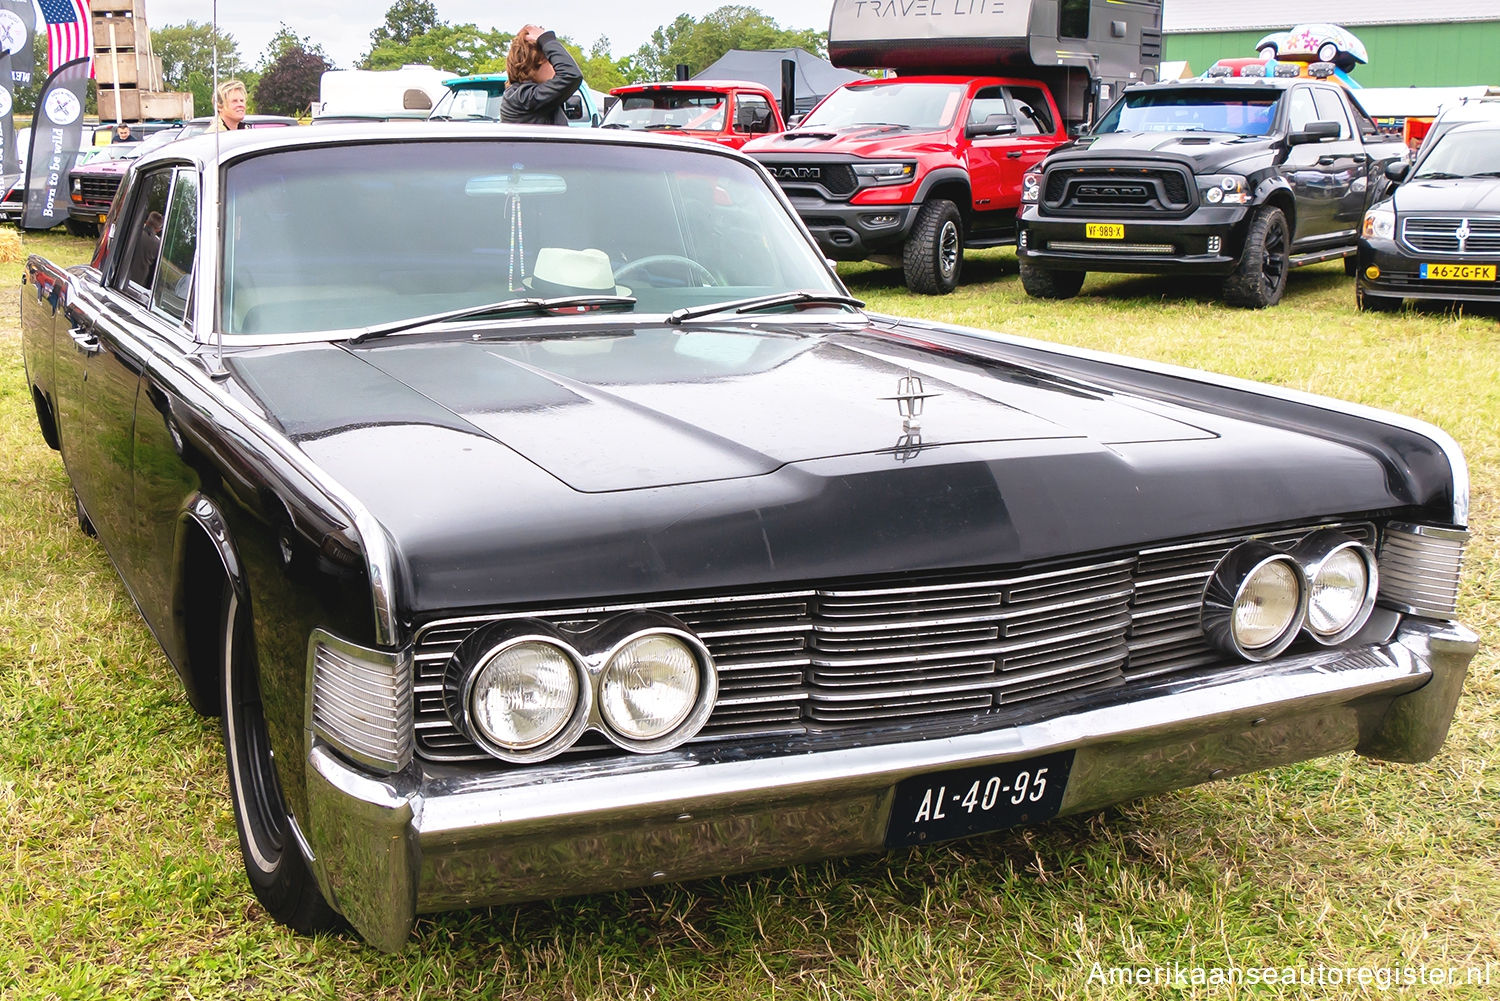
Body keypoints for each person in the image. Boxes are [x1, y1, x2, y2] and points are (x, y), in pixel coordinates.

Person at [499, 25, 583, 126]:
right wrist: (546, 39)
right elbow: (571, 75)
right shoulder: (523, 98)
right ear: (539, 60)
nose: (556, 69)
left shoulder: (522, 96)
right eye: (552, 61)